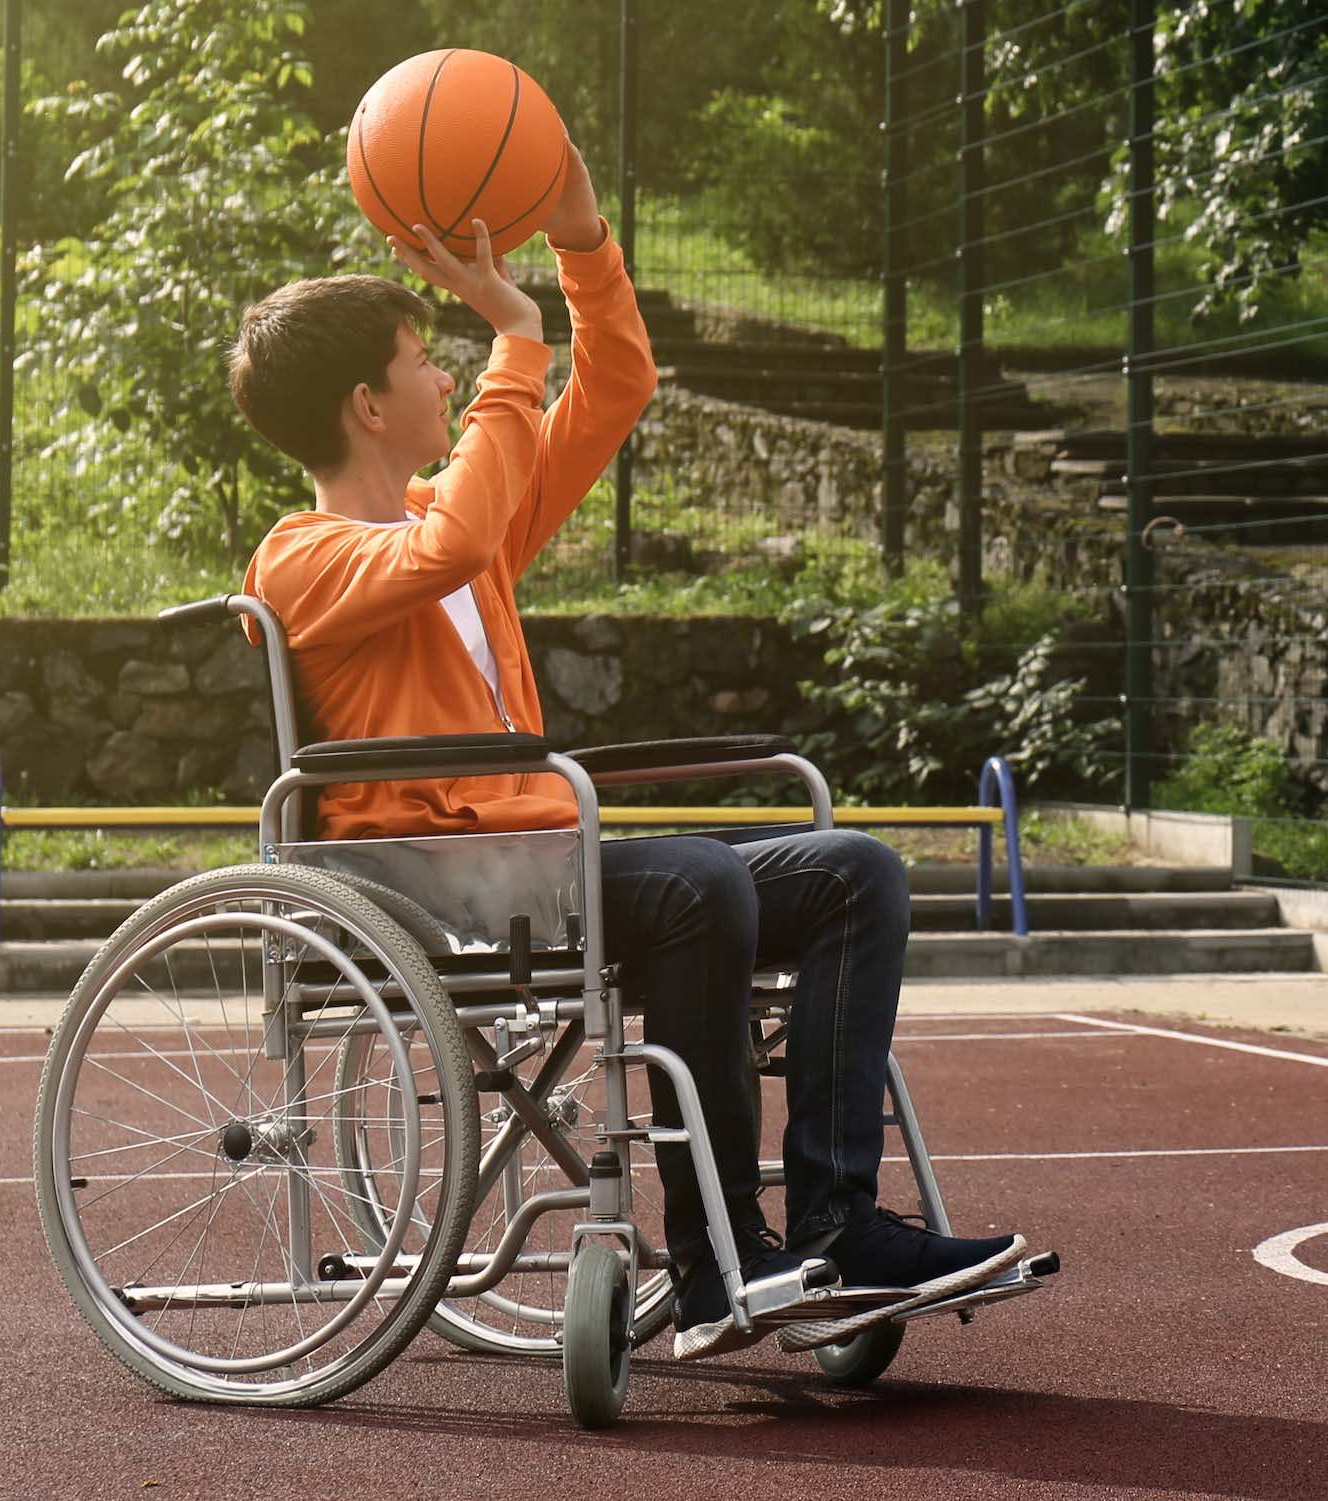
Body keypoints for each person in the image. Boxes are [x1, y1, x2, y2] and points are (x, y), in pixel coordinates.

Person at [229, 141, 1028, 1363]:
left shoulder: (468, 522)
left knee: (854, 868)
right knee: (701, 884)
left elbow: (612, 389)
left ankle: (835, 1223)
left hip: (539, 855)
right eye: (420, 361)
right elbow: (438, 551)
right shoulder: (303, 554)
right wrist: (512, 333)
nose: (448, 377)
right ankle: (717, 1260)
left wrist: (582, 241)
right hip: (438, 878)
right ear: (366, 407)